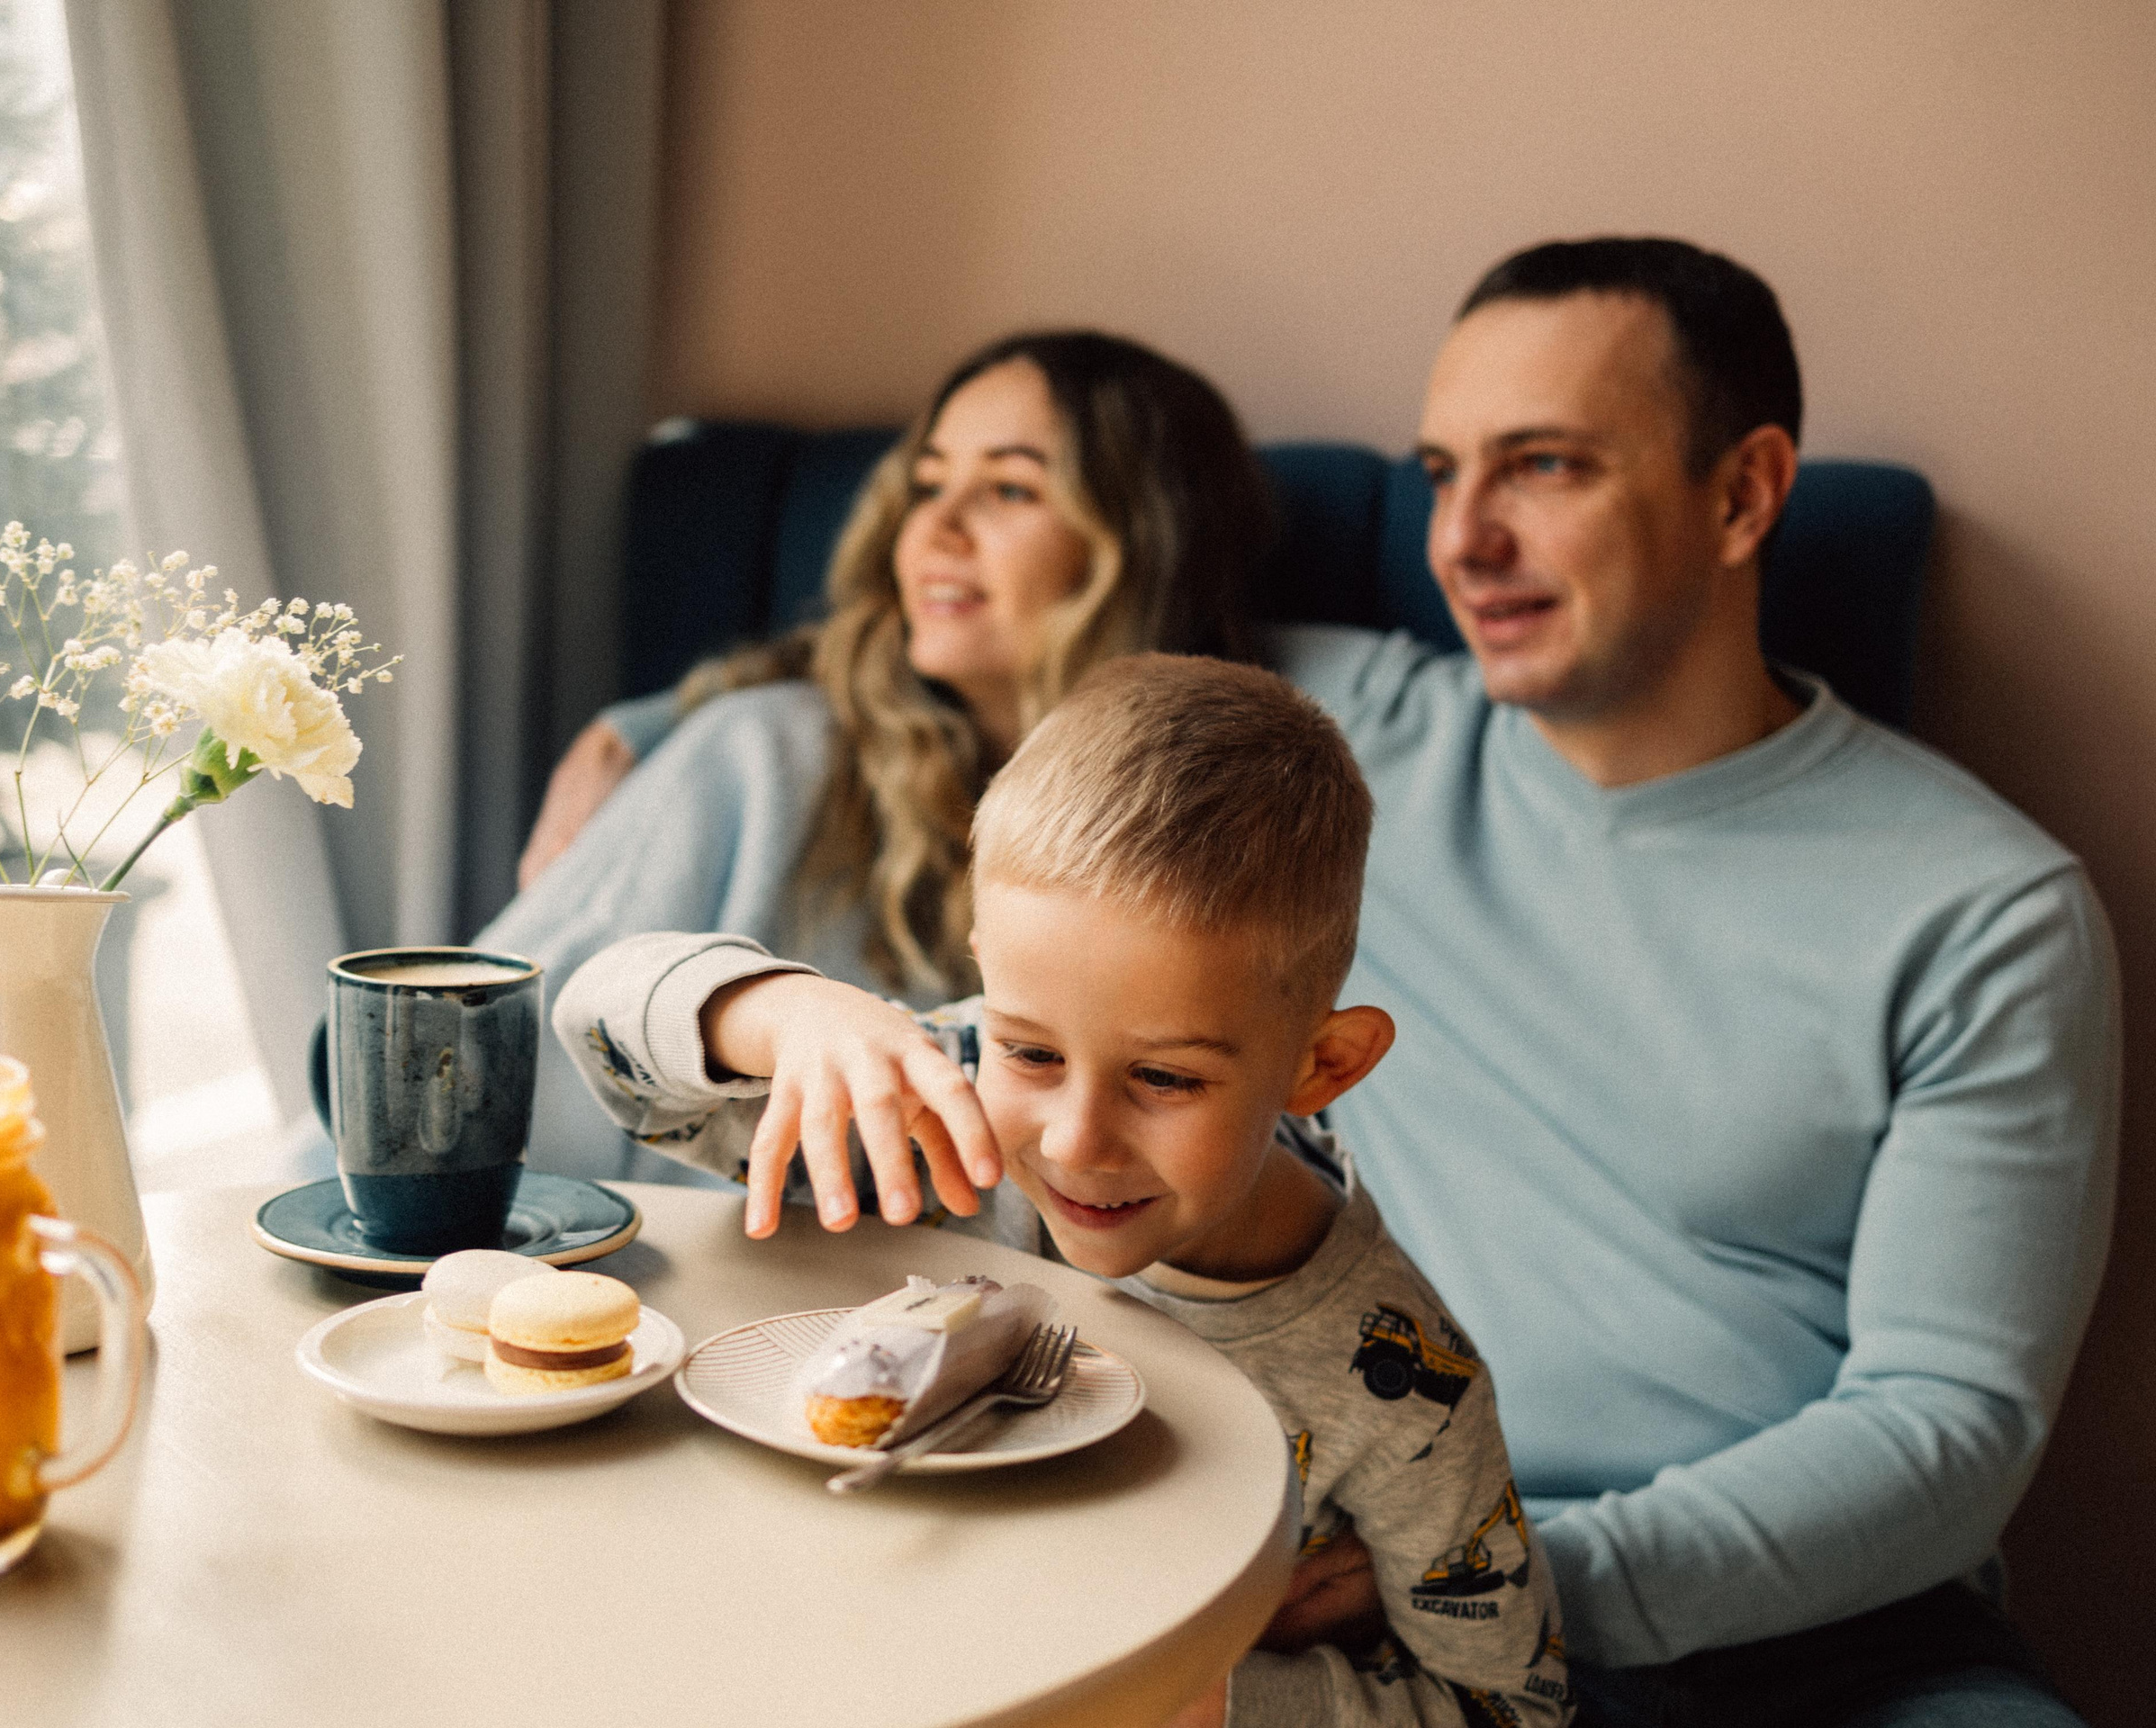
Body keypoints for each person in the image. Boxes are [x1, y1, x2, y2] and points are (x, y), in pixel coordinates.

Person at [1261, 238, 2116, 1724]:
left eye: (1544, 467)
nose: (1461, 540)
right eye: (1440, 473)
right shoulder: (1341, 745)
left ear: (1743, 492)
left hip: (1830, 1640)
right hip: (1386, 1598)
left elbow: (1952, 1429)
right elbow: (976, 636)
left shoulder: (1985, 911)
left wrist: (1509, 1575)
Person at [550, 654, 1573, 1728]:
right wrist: (785, 1013)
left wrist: (1210, 1698)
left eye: (1166, 1078)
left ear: (1321, 1065)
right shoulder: (929, 1111)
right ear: (984, 966)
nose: (1077, 1140)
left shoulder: (1405, 1388)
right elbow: (598, 1026)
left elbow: (1517, 1706)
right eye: (1030, 1052)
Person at [480, 330, 1269, 1178]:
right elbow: (503, 1033)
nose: (935, 526)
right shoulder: (757, 752)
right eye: (927, 484)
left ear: (1143, 541)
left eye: (1009, 488)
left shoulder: (1218, 806)